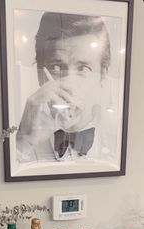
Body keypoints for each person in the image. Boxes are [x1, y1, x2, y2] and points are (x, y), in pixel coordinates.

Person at [16, 12, 114, 163]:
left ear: (103, 76)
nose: (69, 85)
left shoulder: (117, 149)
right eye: (56, 68)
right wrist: (23, 143)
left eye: (83, 68)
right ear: (40, 75)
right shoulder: (16, 149)